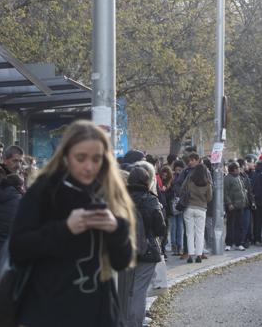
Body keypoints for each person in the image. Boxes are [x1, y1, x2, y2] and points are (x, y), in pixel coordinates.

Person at [9, 120, 136, 327]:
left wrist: (116, 229)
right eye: (81, 158)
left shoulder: (108, 192)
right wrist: (65, 228)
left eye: (96, 159)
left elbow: (121, 262)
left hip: (100, 313)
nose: (89, 167)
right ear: (66, 156)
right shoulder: (45, 190)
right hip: (50, 312)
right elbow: (18, 247)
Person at [122, 164, 166, 327]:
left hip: (124, 250)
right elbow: (160, 229)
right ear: (147, 182)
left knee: (125, 291)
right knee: (140, 292)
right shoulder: (151, 199)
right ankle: (135, 324)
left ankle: (124, 322)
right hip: (147, 251)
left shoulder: (120, 198)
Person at [181, 164, 212, 263]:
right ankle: (199, 255)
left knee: (189, 233)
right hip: (201, 209)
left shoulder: (189, 179)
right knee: (200, 233)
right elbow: (209, 198)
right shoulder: (207, 183)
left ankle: (190, 255)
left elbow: (182, 189)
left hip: (189, 207)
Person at [224, 162, 247, 251]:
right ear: (233, 169)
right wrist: (229, 203)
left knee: (239, 225)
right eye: (237, 168)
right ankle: (229, 243)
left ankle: (239, 243)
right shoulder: (227, 179)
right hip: (232, 205)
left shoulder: (238, 177)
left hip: (240, 205)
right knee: (230, 224)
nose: (239, 169)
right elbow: (225, 192)